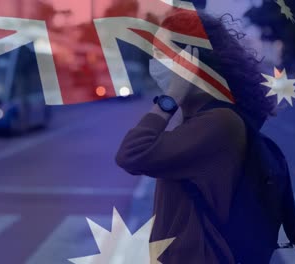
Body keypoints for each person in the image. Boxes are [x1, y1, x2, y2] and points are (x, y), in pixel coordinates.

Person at [115, 10, 277, 264]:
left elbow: (132, 154)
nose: (154, 62)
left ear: (191, 63)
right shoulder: (202, 117)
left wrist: (171, 99)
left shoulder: (218, 123)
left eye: (162, 54)